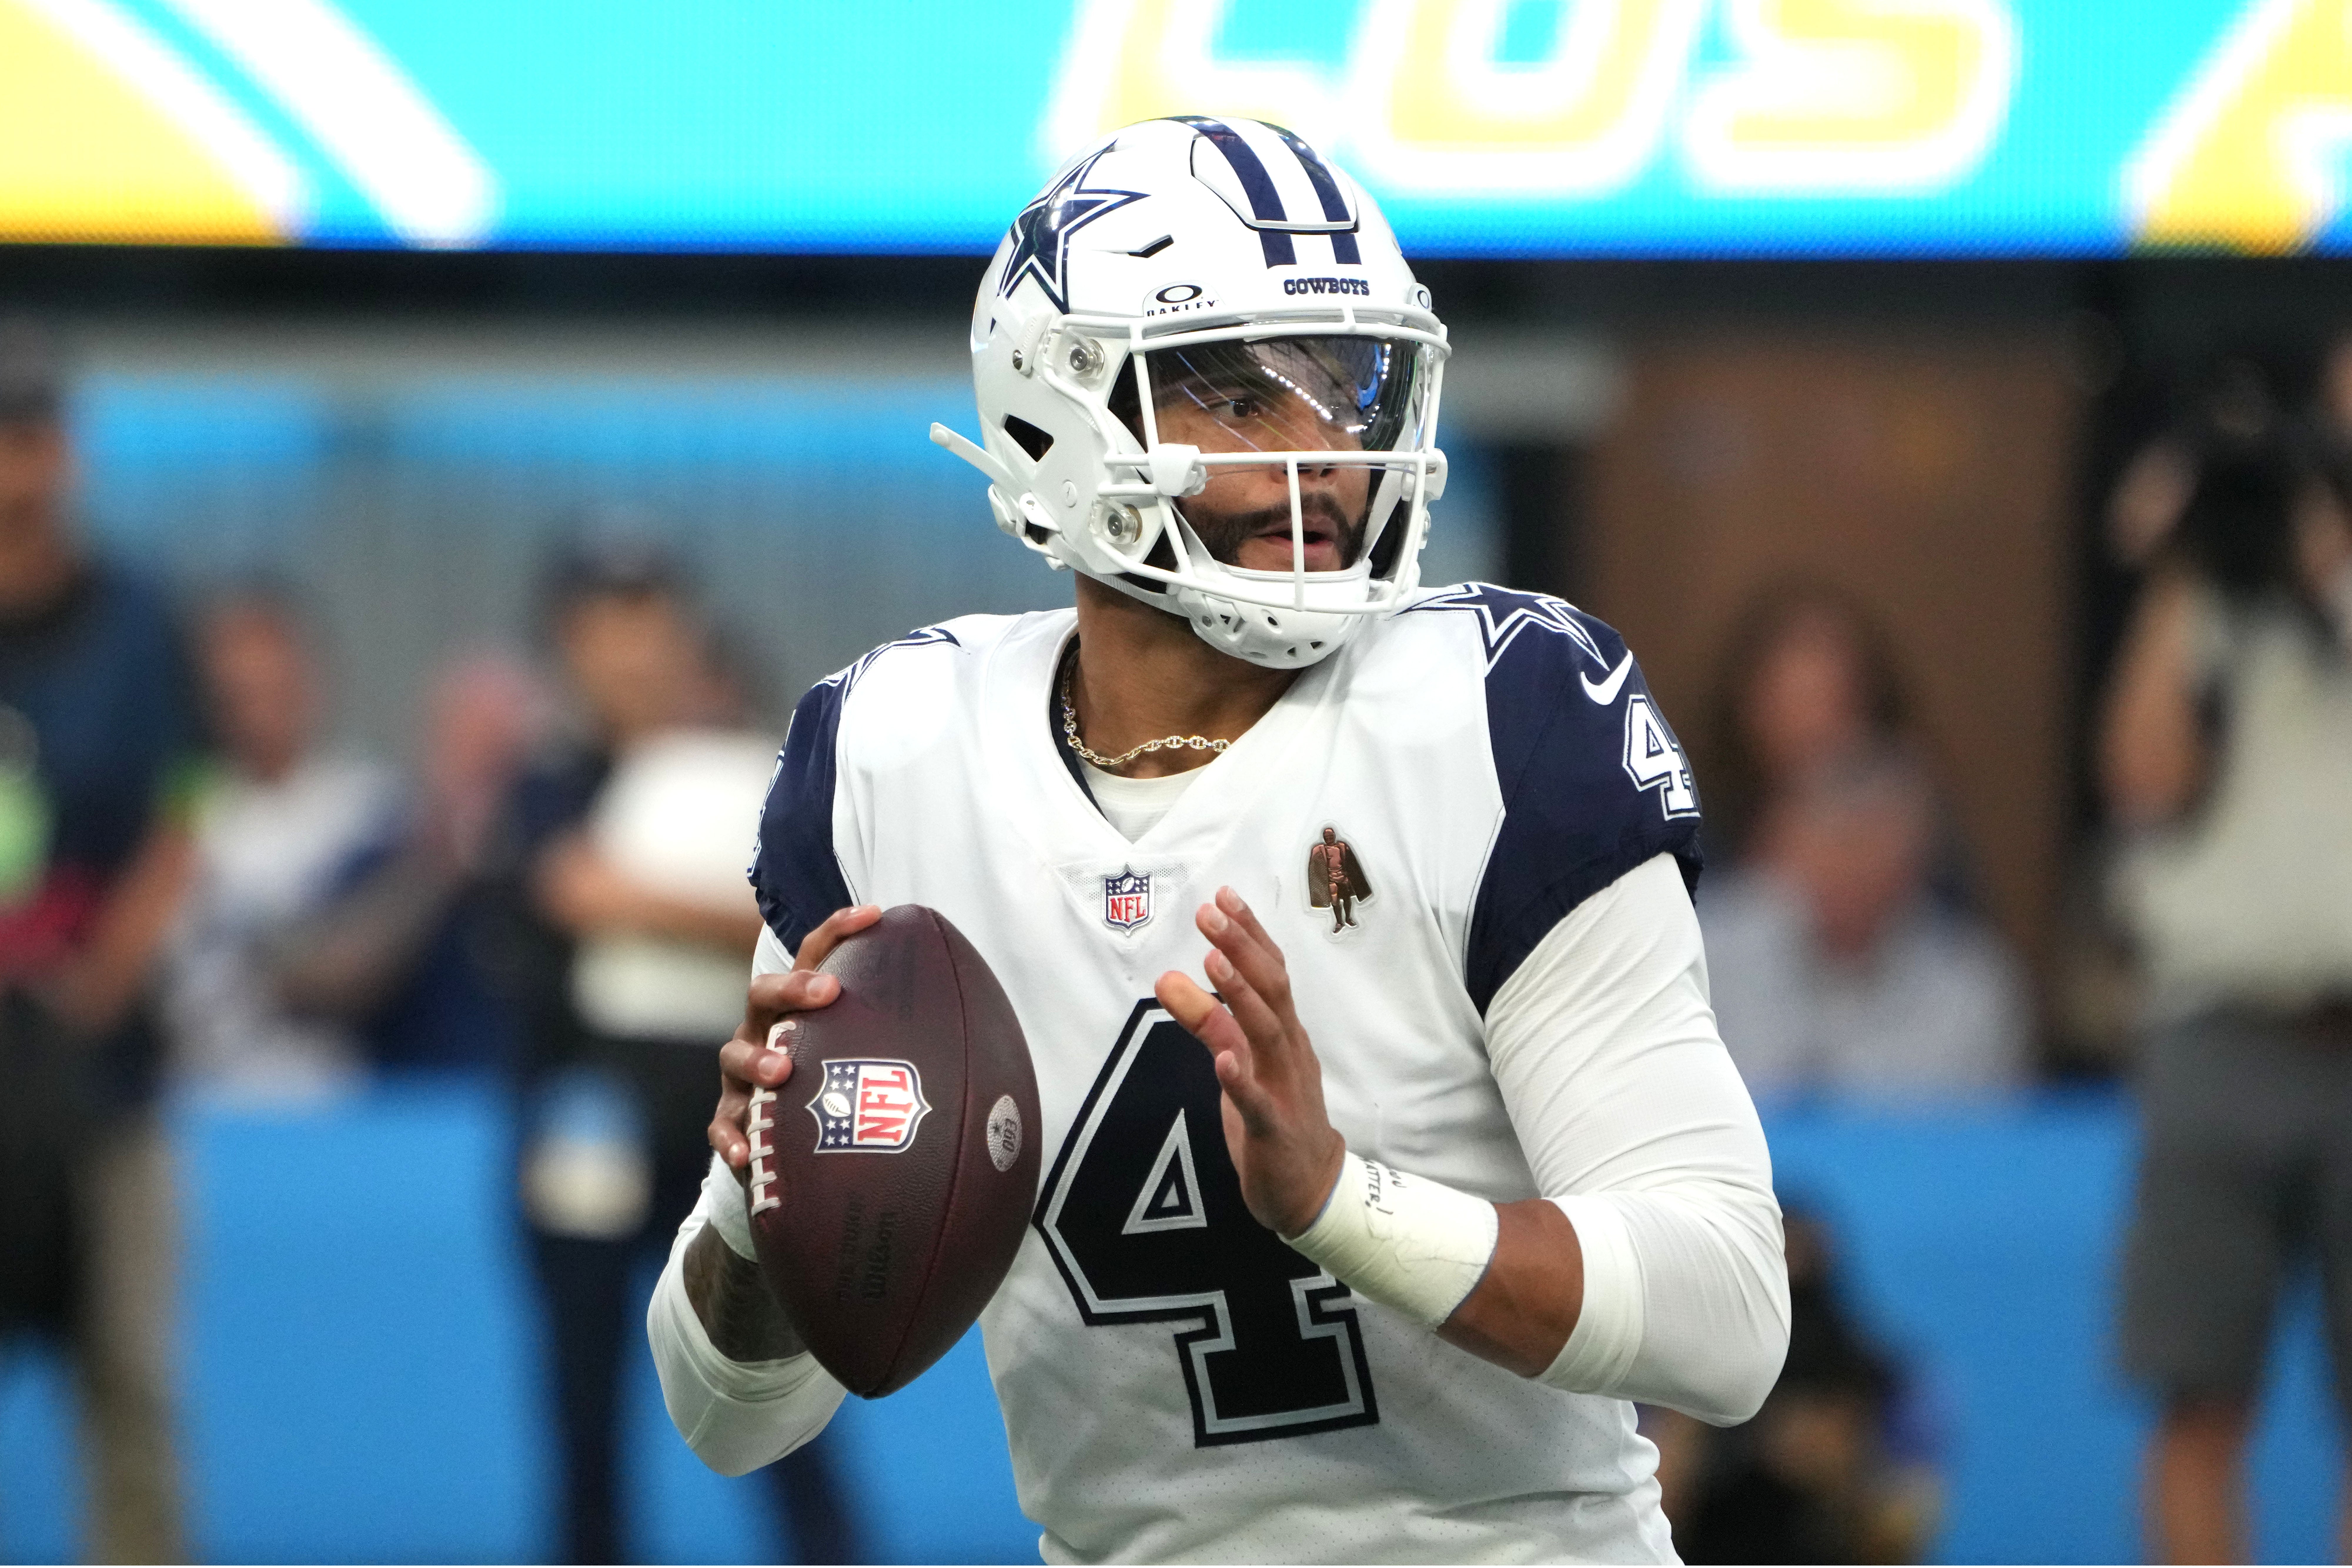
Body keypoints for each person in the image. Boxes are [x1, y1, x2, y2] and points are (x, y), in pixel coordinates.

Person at [647, 118, 1790, 1563]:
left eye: (1347, 385)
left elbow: (1728, 1313)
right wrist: (765, 1207)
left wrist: (1337, 1202)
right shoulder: (891, 754)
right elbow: (729, 1417)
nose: (1321, 451)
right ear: (1052, 421)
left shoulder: (1496, 716)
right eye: (1237, 395)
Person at [484, 542, 854, 1564]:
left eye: (652, 620)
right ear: (567, 645)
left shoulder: (757, 781)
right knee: (585, 1407)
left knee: (774, 1390)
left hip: (737, 1130)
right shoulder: (547, 782)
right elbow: (553, 893)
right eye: (608, 624)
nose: (633, 651)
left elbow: (809, 928)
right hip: (580, 1118)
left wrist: (641, 902)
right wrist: (718, 917)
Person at [2102, 385, 2352, 1564]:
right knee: (2196, 1397)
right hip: (2219, 1030)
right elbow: (2142, 775)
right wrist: (2185, 564)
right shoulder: (2208, 601)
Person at [0, 320, 200, 1562]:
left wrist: (108, 969)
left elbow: (192, 803)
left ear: (64, 455)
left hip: (99, 1065)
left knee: (128, 1377)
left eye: (31, 436)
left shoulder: (137, 616)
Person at [1697, 586, 2028, 1100]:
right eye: (1790, 700)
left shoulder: (1967, 980)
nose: (1813, 726)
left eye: (1833, 700)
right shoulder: (1698, 917)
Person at [163, 589, 403, 1098]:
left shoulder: (371, 805)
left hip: (345, 1111)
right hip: (208, 1107)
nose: (260, 710)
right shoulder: (182, 809)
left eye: (278, 687)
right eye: (239, 693)